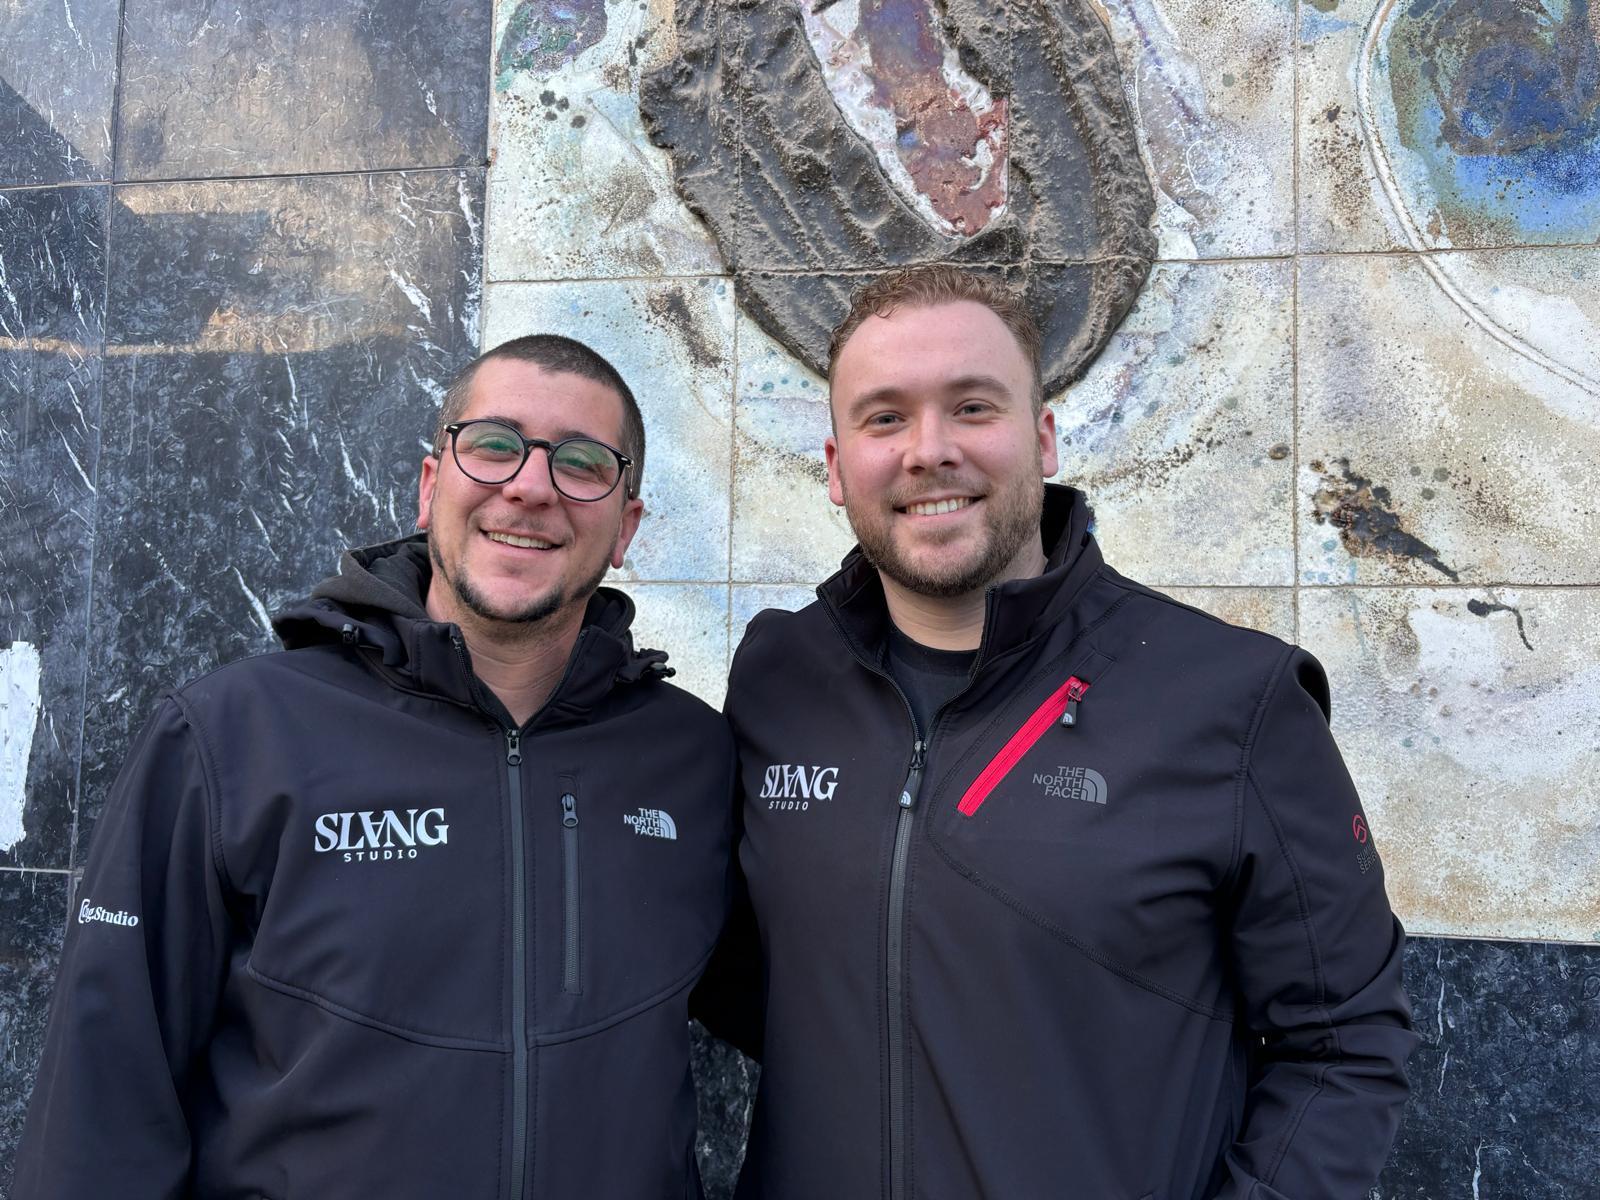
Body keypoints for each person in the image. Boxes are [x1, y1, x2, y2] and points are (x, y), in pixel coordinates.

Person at [708, 265, 1418, 1199]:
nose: (929, 450)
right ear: (838, 467)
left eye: (973, 407)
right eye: (885, 418)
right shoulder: (779, 678)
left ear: (1042, 438)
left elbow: (1345, 1041)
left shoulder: (1234, 701)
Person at [15, 335, 735, 1198]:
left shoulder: (690, 758)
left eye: (582, 463)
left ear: (626, 527)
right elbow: (102, 1096)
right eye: (494, 445)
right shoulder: (236, 733)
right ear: (431, 487)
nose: (531, 486)